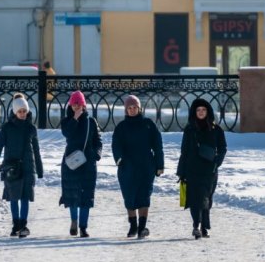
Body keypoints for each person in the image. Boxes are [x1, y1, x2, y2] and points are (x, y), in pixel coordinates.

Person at [111, 94, 164, 239]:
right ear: (126, 110)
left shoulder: (148, 124)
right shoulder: (121, 127)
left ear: (139, 108)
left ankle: (142, 227)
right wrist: (119, 159)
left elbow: (158, 145)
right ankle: (133, 225)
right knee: (129, 196)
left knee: (144, 196)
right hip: (127, 167)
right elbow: (116, 145)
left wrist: (160, 165)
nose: (132, 110)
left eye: (135, 107)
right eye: (129, 108)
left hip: (146, 166)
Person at [0, 95, 44, 237]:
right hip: (12, 167)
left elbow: (36, 150)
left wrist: (39, 169)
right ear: (15, 112)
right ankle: (15, 225)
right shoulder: (7, 127)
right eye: (19, 111)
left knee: (25, 197)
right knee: (14, 197)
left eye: (24, 111)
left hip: (27, 167)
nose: (22, 114)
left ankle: (23, 225)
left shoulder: (31, 128)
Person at [177, 98, 227, 239]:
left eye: (204, 110)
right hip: (192, 169)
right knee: (194, 198)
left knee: (206, 198)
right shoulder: (190, 129)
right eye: (198, 110)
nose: (201, 112)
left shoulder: (216, 129)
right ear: (194, 112)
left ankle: (204, 227)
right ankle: (196, 226)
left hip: (209, 170)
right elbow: (184, 151)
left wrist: (217, 162)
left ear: (208, 111)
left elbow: (223, 148)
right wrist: (181, 171)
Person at [60, 90, 102, 238]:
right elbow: (67, 134)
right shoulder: (66, 121)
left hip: (88, 163)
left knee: (86, 196)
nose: (76, 107)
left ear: (84, 105)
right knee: (72, 194)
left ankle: (83, 227)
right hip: (71, 162)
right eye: (74, 104)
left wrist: (97, 154)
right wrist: (75, 119)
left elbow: (98, 141)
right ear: (71, 106)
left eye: (79, 104)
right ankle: (73, 221)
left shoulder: (91, 122)